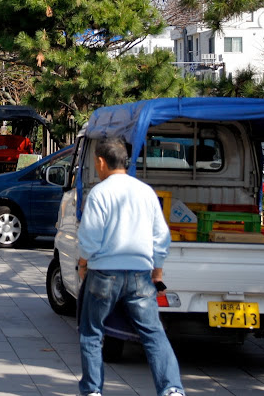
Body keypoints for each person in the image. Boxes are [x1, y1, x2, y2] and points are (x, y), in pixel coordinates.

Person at [77, 138, 184, 396]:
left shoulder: (99, 194)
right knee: (153, 333)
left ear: (101, 162)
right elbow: (161, 235)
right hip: (140, 274)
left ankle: (92, 390)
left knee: (91, 333)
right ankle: (171, 389)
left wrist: (83, 264)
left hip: (104, 273)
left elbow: (89, 240)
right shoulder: (146, 192)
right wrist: (157, 269)